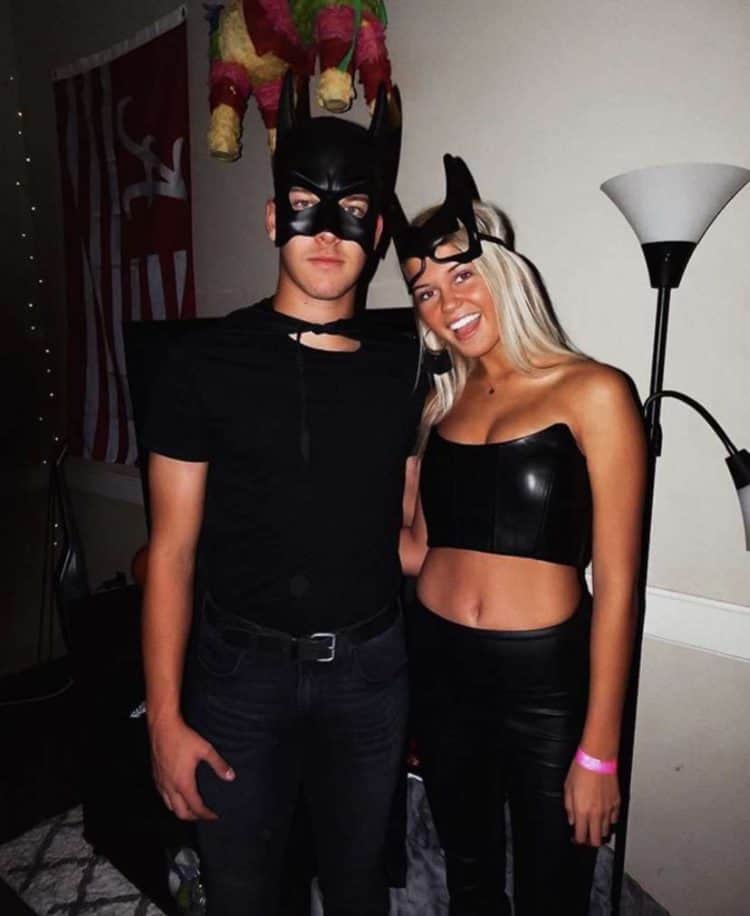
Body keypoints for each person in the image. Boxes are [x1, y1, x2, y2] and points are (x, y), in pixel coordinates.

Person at [140, 77, 421, 916]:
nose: (328, 231)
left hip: (369, 673)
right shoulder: (203, 363)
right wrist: (164, 719)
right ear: (273, 220)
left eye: (352, 210)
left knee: (360, 886)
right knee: (240, 892)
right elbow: (171, 553)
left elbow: (413, 527)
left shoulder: (407, 364)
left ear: (376, 232)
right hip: (240, 676)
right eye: (304, 206)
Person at [397, 155, 647, 915]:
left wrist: (599, 749)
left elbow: (621, 589)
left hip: (545, 683)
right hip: (440, 665)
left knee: (553, 890)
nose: (446, 304)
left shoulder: (595, 391)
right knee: (468, 877)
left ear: (503, 272)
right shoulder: (440, 406)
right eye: (426, 292)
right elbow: (417, 551)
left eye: (461, 276)